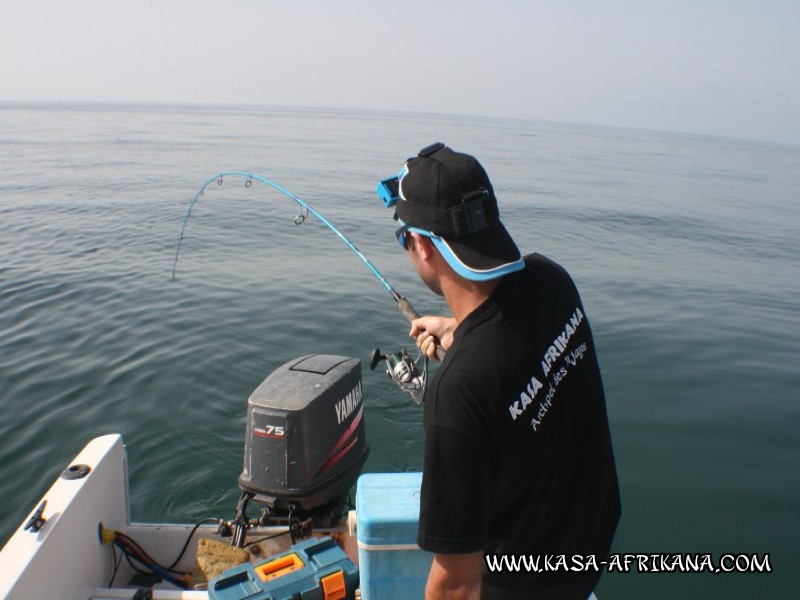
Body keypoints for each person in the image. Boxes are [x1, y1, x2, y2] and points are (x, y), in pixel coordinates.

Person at [377, 143, 621, 599]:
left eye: (404, 239)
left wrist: (466, 352)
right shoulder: (553, 280)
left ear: (425, 247)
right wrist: (457, 331)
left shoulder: (457, 392)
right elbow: (517, 340)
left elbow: (457, 586)